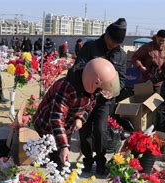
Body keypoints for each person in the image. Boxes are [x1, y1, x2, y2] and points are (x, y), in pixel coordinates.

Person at [32, 58, 120, 166]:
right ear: (95, 82)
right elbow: (56, 118)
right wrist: (63, 146)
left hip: (66, 126)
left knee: (63, 159)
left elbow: (89, 106)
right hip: (49, 127)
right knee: (57, 162)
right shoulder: (67, 88)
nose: (102, 90)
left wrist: (80, 118)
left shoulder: (92, 89)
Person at [67, 18, 127, 175]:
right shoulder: (90, 47)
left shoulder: (121, 55)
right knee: (84, 131)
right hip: (86, 96)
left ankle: (101, 161)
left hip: (104, 100)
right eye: (112, 41)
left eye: (117, 43)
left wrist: (113, 91)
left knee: (100, 130)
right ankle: (87, 160)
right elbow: (76, 69)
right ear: (106, 34)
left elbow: (121, 80)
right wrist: (90, 75)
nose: (113, 45)